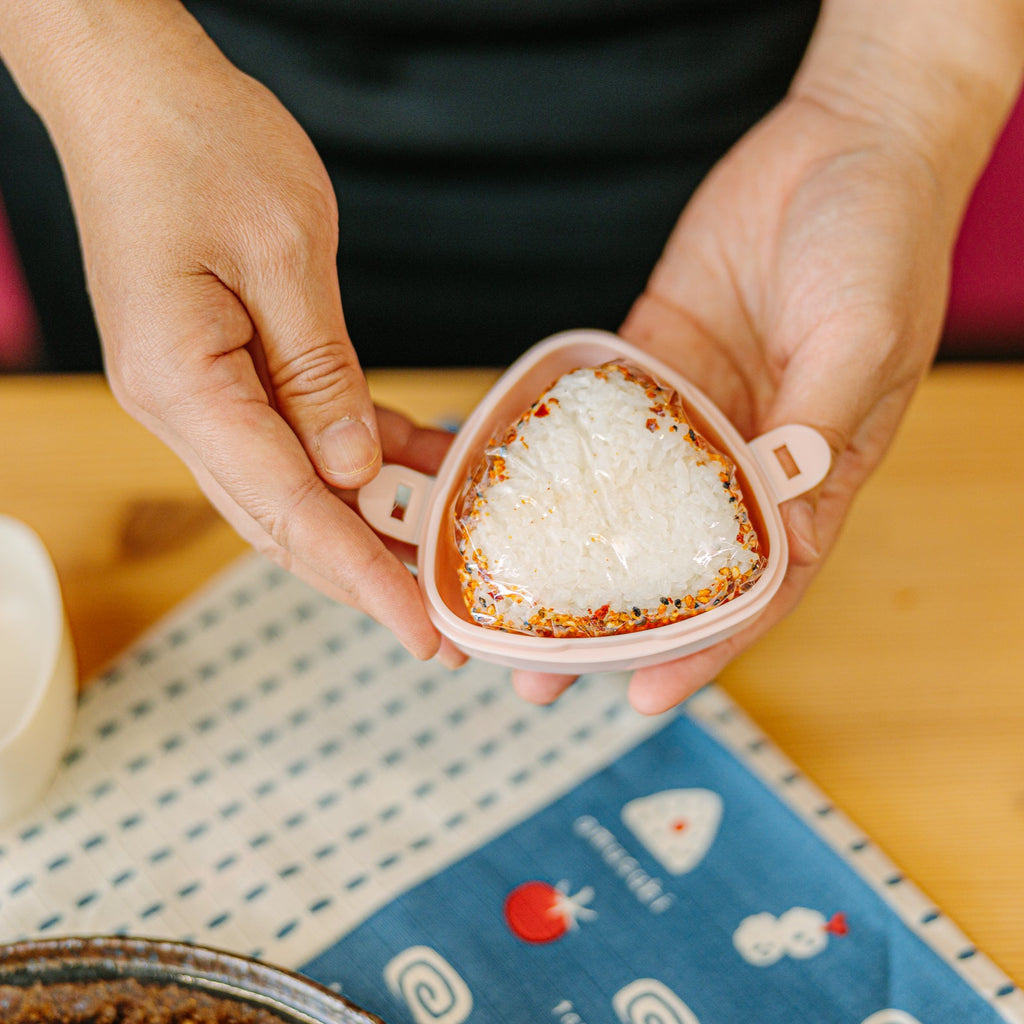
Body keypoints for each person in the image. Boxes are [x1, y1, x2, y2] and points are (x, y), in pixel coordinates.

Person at [0, 1, 1021, 714]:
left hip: (740, 92)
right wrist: (97, 62)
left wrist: (895, 95)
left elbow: (903, 75)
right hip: (165, 96)